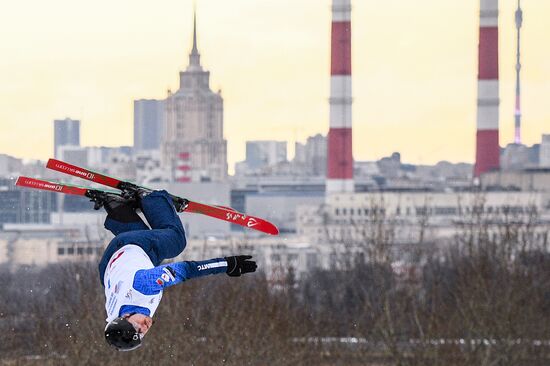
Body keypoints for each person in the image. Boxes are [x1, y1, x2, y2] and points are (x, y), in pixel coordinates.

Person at [93, 189, 257, 351]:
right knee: (152, 249)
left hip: (131, 246)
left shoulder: (143, 286)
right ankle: (116, 207)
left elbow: (185, 270)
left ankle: (152, 199)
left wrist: (228, 264)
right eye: (141, 334)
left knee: (176, 241)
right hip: (111, 264)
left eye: (137, 326)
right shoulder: (115, 316)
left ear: (126, 317)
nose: (145, 327)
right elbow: (116, 329)